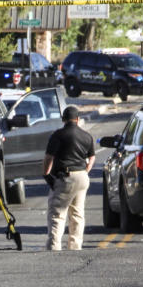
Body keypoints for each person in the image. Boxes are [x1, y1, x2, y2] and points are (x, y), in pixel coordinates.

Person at [43, 106, 95, 251]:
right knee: (77, 214)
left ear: (63, 120)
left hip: (65, 177)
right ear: (77, 119)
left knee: (57, 213)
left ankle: (54, 246)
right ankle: (75, 246)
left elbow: (49, 157)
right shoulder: (87, 136)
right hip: (82, 177)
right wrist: (86, 170)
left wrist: (46, 174)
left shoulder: (58, 135)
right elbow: (92, 157)